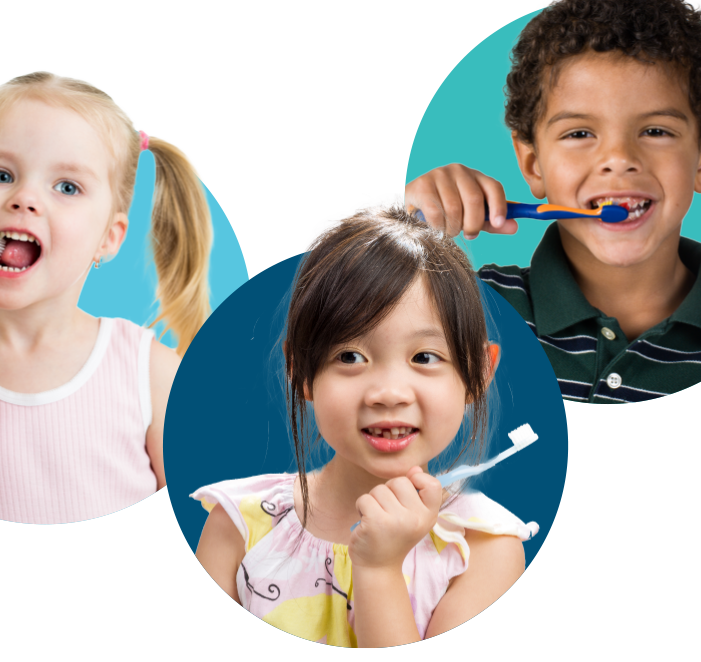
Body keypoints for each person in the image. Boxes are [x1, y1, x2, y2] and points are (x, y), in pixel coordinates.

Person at [405, 0, 701, 403]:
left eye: (655, 131)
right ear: (532, 164)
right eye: (579, 133)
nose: (618, 157)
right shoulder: (467, 311)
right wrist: (399, 219)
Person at [193, 203, 536, 647]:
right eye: (350, 357)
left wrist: (378, 570)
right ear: (302, 374)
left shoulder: (484, 550)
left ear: (478, 374)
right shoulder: (239, 524)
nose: (388, 393)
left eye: (424, 358)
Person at [0, 71, 212, 523]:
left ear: (108, 239)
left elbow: (197, 528)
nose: (25, 198)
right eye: (1, 174)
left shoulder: (148, 373)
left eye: (67, 187)